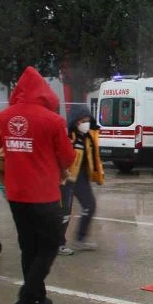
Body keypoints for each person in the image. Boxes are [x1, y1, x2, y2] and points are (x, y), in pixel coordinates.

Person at [0, 66, 75, 304]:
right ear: (44, 92)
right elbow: (68, 157)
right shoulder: (53, 120)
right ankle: (26, 299)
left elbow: (1, 143)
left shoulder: (4, 116)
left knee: (28, 247)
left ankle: (39, 298)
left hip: (16, 193)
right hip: (43, 194)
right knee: (50, 245)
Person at [58, 105, 105, 255]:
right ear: (75, 121)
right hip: (66, 178)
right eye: (82, 121)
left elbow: (94, 157)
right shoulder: (67, 136)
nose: (86, 123)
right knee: (64, 212)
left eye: (87, 120)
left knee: (90, 206)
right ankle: (58, 244)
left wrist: (97, 174)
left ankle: (80, 239)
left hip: (81, 177)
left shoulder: (89, 136)